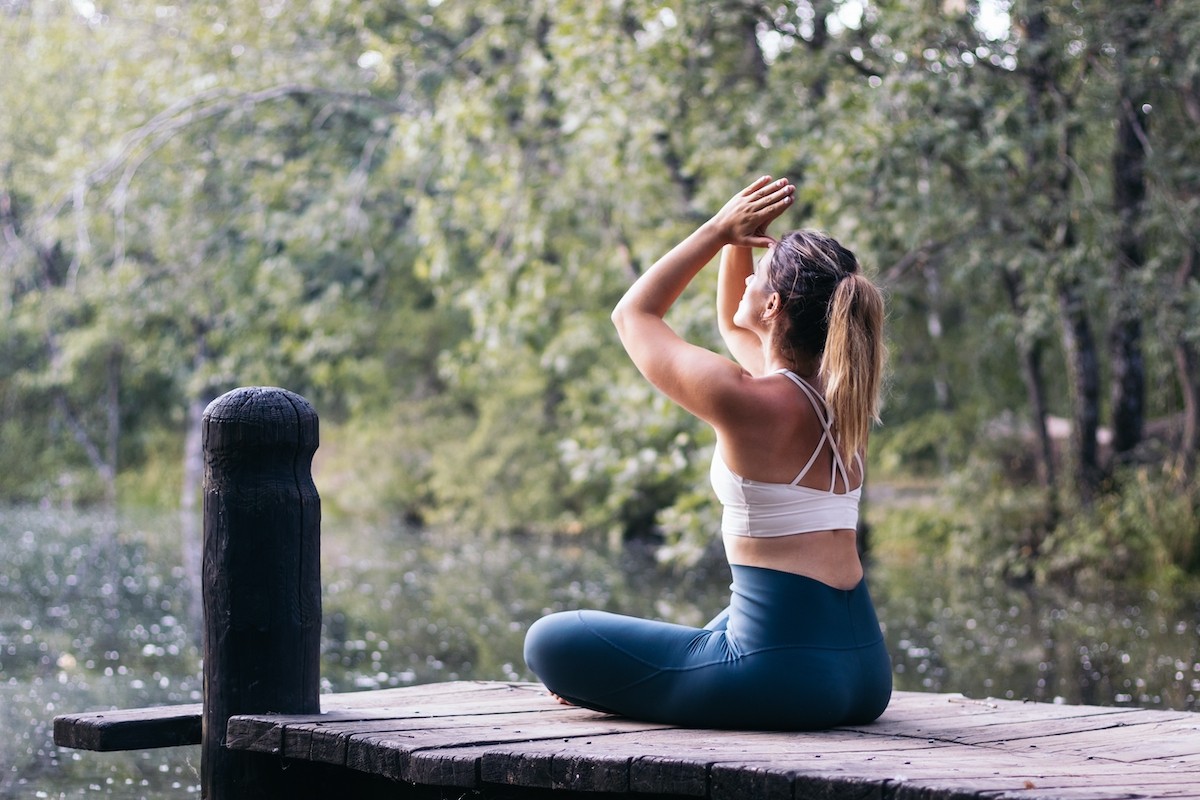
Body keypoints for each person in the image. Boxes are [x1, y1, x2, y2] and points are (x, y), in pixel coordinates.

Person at [523, 175, 892, 730]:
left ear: (773, 306)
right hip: (865, 673)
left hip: (783, 678)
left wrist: (719, 230)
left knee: (548, 640)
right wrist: (744, 240)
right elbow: (729, 322)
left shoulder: (747, 399)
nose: (746, 278)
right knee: (713, 633)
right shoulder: (841, 398)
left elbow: (634, 316)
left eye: (757, 275)